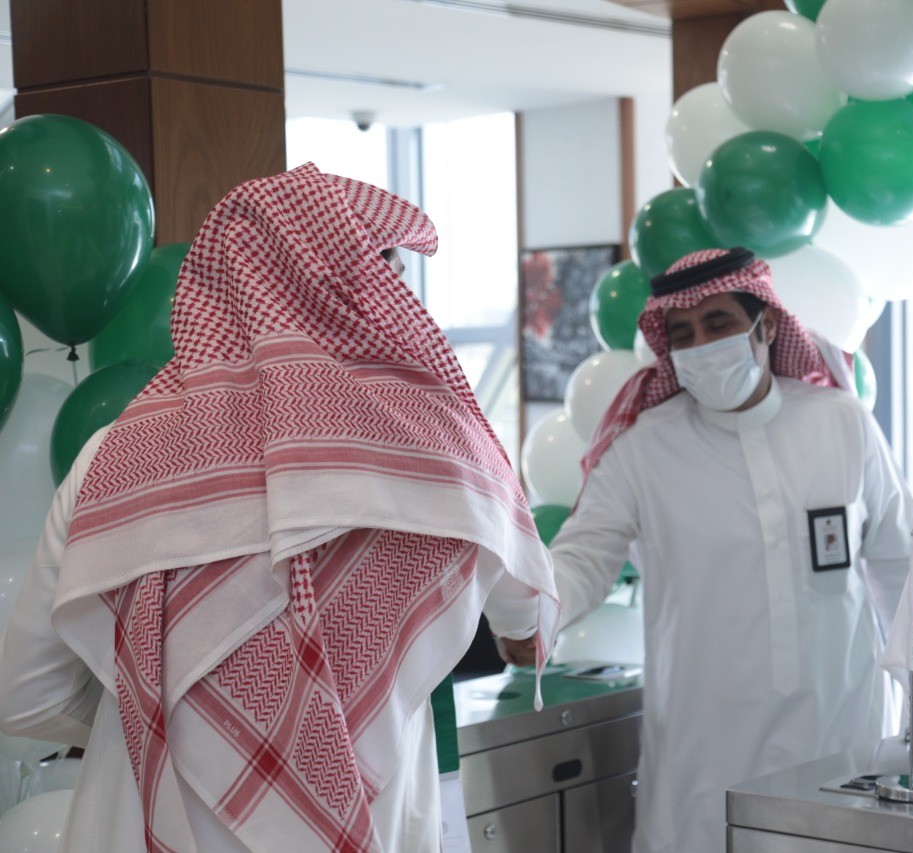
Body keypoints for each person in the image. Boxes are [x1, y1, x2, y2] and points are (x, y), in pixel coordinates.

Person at [0, 163, 558, 852]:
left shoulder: (111, 459)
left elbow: (25, 693)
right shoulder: (448, 454)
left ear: (218, 289)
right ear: (367, 290)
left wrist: (169, 711)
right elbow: (530, 623)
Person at [500, 247, 913, 853]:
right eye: (683, 334)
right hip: (705, 768)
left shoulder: (841, 423)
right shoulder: (644, 451)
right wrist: (536, 616)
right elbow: (583, 557)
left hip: (843, 753)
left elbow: (903, 571)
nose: (701, 345)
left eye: (718, 323)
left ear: (767, 325)